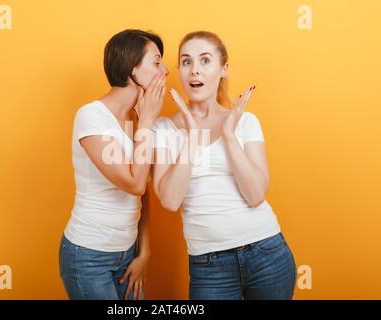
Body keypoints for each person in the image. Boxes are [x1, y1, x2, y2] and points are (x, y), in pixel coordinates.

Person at [152, 31, 296, 300]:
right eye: (186, 62)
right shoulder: (164, 129)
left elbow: (255, 196)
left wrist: (229, 134)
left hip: (267, 253)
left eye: (205, 61)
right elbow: (170, 200)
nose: (195, 70)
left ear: (223, 69)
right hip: (210, 266)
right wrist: (192, 137)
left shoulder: (245, 121)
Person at [60, 29, 168, 300]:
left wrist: (145, 253)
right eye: (156, 62)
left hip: (128, 254)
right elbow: (133, 183)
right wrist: (147, 123)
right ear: (133, 69)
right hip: (88, 258)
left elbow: (143, 192)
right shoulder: (91, 116)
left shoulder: (138, 119)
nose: (165, 70)